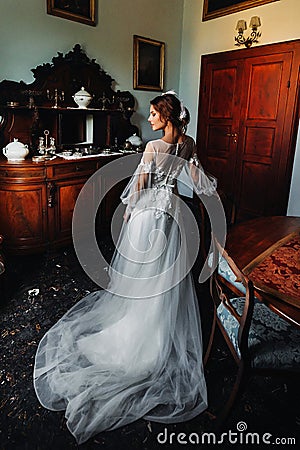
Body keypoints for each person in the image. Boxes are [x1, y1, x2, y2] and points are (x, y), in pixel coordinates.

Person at [33, 91, 219, 444]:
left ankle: (136, 337)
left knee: (140, 278)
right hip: (174, 219)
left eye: (152, 114)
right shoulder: (189, 143)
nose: (148, 119)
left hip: (150, 216)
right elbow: (195, 180)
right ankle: (161, 335)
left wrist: (131, 210)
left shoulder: (151, 148)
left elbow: (141, 185)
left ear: (166, 117)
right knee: (165, 279)